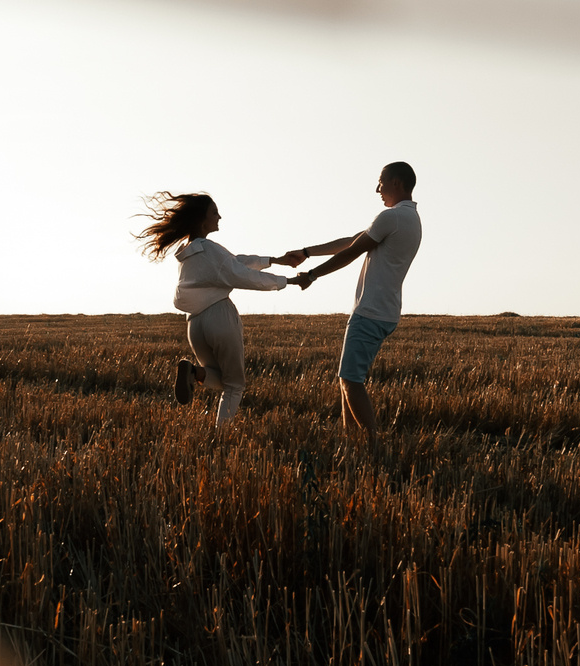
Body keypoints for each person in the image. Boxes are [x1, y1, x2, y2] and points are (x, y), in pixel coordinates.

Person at [280, 162, 422, 450]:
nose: (377, 189)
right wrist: (307, 253)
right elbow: (351, 241)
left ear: (396, 182)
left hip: (370, 311)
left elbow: (352, 252)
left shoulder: (391, 217)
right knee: (347, 379)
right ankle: (351, 445)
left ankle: (372, 447)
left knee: (350, 380)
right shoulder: (408, 219)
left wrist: (312, 275)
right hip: (386, 311)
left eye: (381, 182)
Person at [137, 191, 295, 426]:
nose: (219, 217)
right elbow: (240, 274)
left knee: (220, 378)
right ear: (202, 220)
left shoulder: (189, 252)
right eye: (214, 212)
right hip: (220, 317)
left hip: (194, 324)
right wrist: (288, 281)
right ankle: (221, 436)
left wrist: (274, 260)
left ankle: (194, 373)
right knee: (235, 385)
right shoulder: (209, 248)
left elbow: (234, 262)